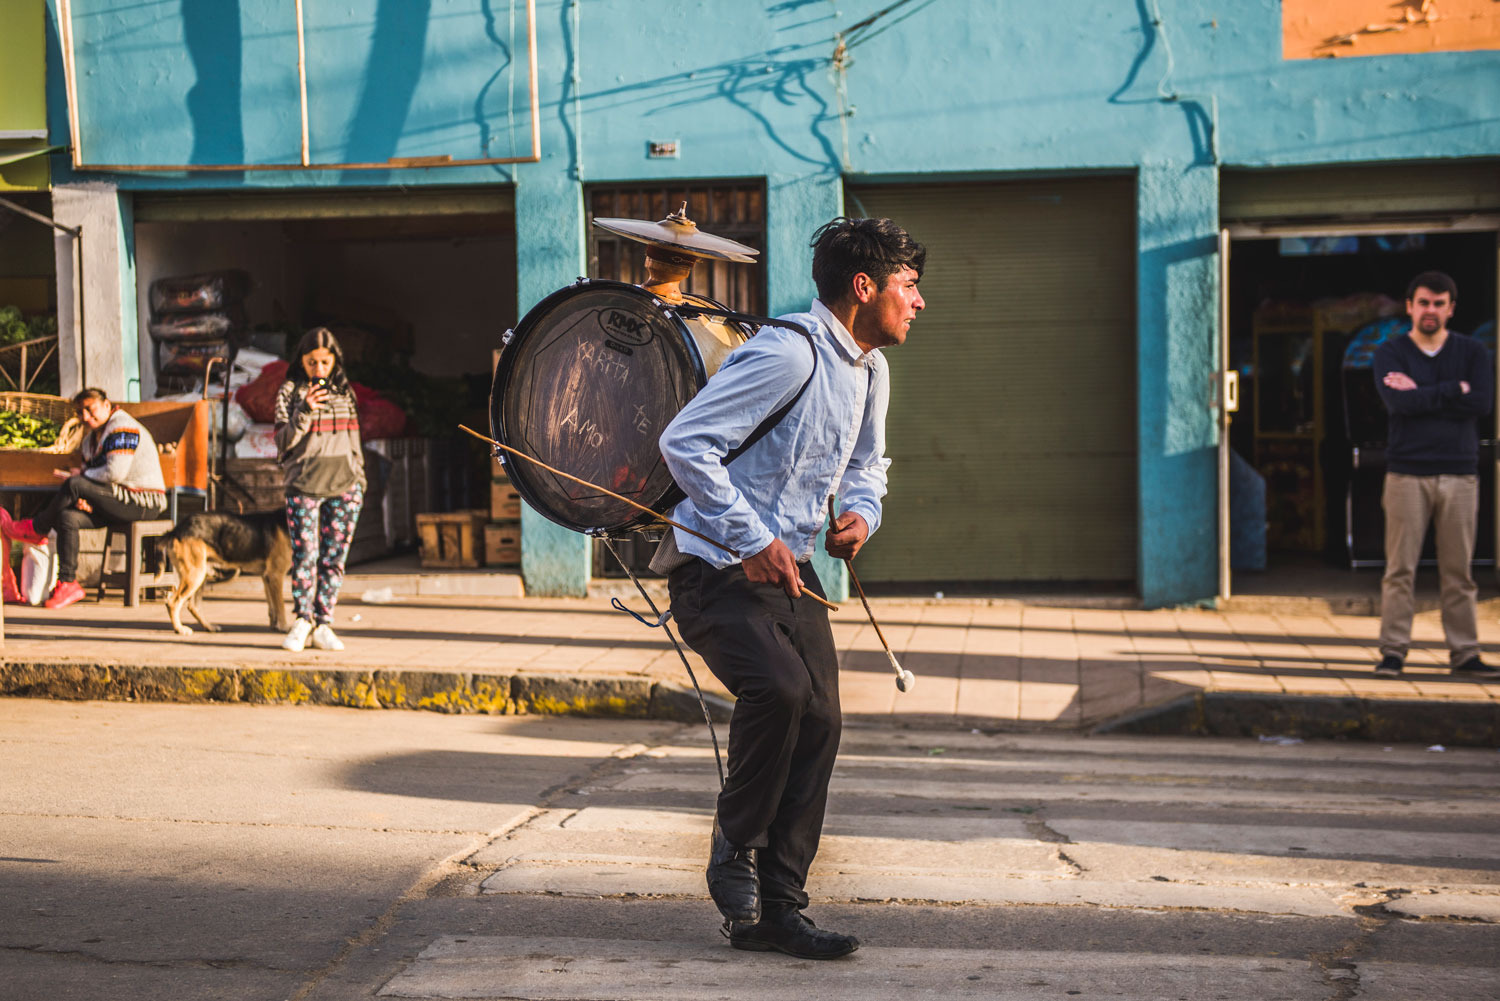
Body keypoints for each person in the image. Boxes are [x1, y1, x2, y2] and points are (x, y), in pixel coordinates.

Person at [657, 216, 925, 959]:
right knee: (779, 690)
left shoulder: (871, 370)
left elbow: (869, 464)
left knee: (823, 719)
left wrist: (860, 515)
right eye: (909, 285)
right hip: (713, 565)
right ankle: (734, 845)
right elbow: (684, 443)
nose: (919, 302)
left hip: (792, 568)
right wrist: (752, 537)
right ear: (863, 287)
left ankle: (780, 907)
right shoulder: (786, 353)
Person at [1372, 271, 1499, 680]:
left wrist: (1423, 391)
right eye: (1424, 302)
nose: (1431, 310)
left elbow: (1480, 403)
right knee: (1399, 570)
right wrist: (1451, 390)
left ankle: (1465, 654)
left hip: (1460, 475)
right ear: (1409, 306)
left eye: (1439, 303)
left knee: (1458, 572)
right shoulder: (1390, 352)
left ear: (1451, 308)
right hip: (1406, 474)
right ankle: (1393, 653)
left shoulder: (1474, 352)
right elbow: (1398, 404)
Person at [0, 388, 167, 609]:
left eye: (91, 409)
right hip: (114, 501)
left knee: (74, 483)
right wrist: (85, 495)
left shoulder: (122, 427)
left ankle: (38, 527)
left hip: (142, 503)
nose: (86, 416)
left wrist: (82, 481)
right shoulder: (90, 440)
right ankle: (68, 582)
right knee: (68, 517)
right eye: (81, 412)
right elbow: (96, 479)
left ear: (107, 405)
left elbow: (113, 473)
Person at [273, 328, 366, 652]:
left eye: (325, 362)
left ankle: (324, 622)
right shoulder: (289, 391)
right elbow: (282, 442)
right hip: (303, 486)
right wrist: (305, 409)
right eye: (312, 362)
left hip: (344, 486)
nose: (319, 369)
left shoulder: (345, 393)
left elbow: (354, 439)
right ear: (301, 360)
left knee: (334, 558)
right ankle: (303, 620)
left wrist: (360, 480)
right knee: (304, 557)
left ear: (334, 361)